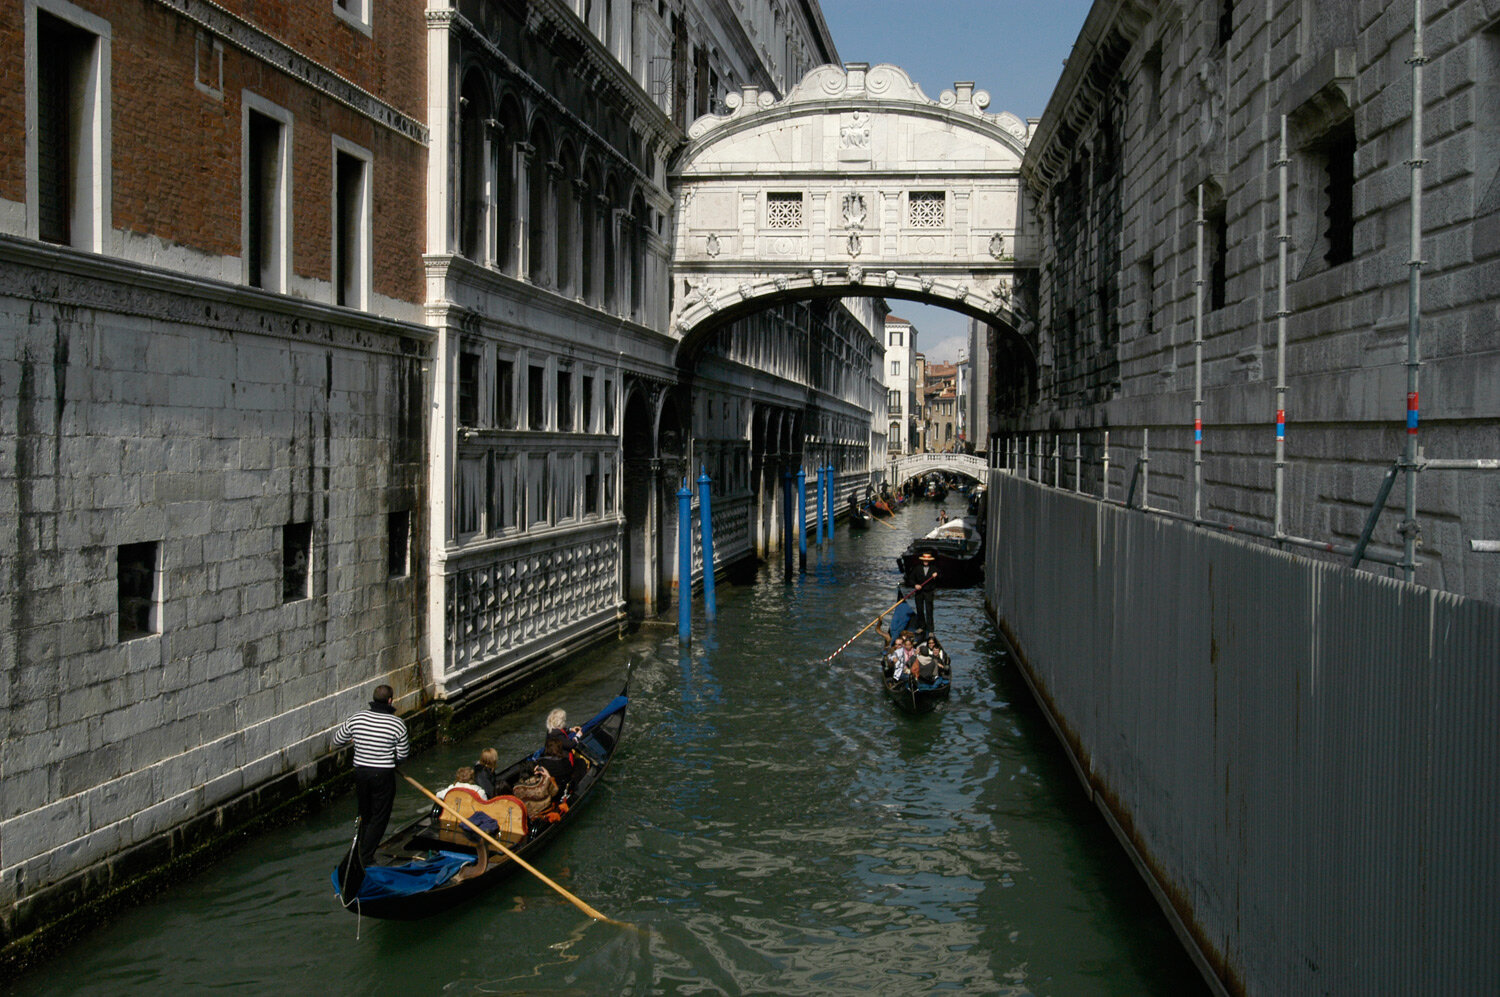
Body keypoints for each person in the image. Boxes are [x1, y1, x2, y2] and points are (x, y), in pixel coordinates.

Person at [333, 684, 409, 865]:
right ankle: (365, 857)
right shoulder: (397, 724)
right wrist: (391, 761)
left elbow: (337, 741)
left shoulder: (357, 718)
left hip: (361, 773)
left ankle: (359, 850)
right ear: (390, 701)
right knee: (379, 816)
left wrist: (356, 740)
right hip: (383, 774)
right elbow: (403, 755)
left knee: (365, 813)